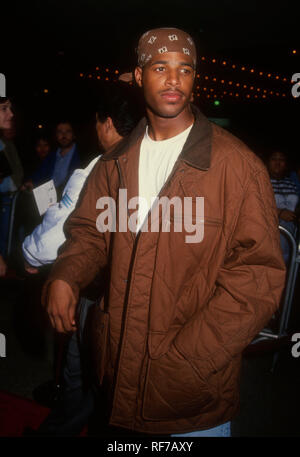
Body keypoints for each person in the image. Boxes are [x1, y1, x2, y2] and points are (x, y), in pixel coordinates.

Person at [42, 28, 286, 437]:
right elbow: (89, 232)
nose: (174, 79)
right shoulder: (114, 163)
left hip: (192, 399)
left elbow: (258, 276)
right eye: (160, 67)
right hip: (116, 381)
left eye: (184, 69)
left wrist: (190, 356)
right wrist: (66, 273)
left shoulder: (237, 167)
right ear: (138, 77)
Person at [23, 82, 141, 436]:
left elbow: (44, 246)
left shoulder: (94, 172)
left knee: (81, 379)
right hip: (144, 304)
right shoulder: (159, 165)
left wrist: (28, 253)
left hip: (99, 300)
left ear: (104, 123)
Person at [23, 121, 81, 199]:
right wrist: (30, 182)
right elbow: (39, 174)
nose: (64, 135)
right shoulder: (51, 156)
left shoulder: (83, 157)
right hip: (48, 200)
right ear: (56, 135)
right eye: (60, 132)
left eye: (68, 131)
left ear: (74, 135)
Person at [267, 150, 300, 264]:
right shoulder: (261, 180)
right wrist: (279, 212)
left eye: (281, 159)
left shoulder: (292, 182)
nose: (278, 162)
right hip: (269, 234)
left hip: (290, 235)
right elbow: (253, 205)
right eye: (274, 159)